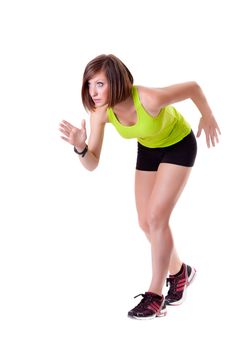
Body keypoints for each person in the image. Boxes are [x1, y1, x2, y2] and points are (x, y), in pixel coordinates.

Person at [59, 54, 221, 320]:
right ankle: (181, 272)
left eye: (99, 84)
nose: (93, 92)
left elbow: (193, 87)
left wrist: (208, 115)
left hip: (178, 145)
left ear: (115, 80)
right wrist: (80, 147)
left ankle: (156, 296)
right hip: (149, 148)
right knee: (145, 223)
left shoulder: (149, 98)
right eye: (89, 84)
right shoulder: (100, 112)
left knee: (157, 217)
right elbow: (92, 163)